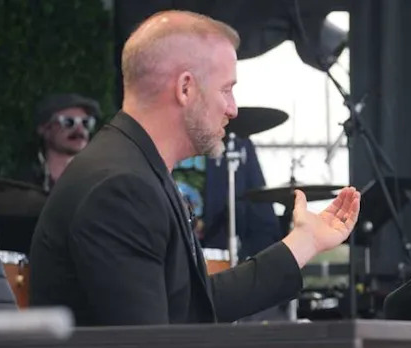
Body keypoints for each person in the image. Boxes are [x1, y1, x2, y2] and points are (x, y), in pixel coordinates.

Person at [28, 10, 359, 325]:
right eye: (226, 89)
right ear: (185, 88)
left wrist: (305, 242)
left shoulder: (135, 169)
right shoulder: (122, 188)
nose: (232, 109)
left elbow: (189, 306)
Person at [27, 93, 101, 192]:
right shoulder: (24, 185)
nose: (80, 130)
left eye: (86, 122)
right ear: (44, 129)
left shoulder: (102, 183)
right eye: (68, 122)